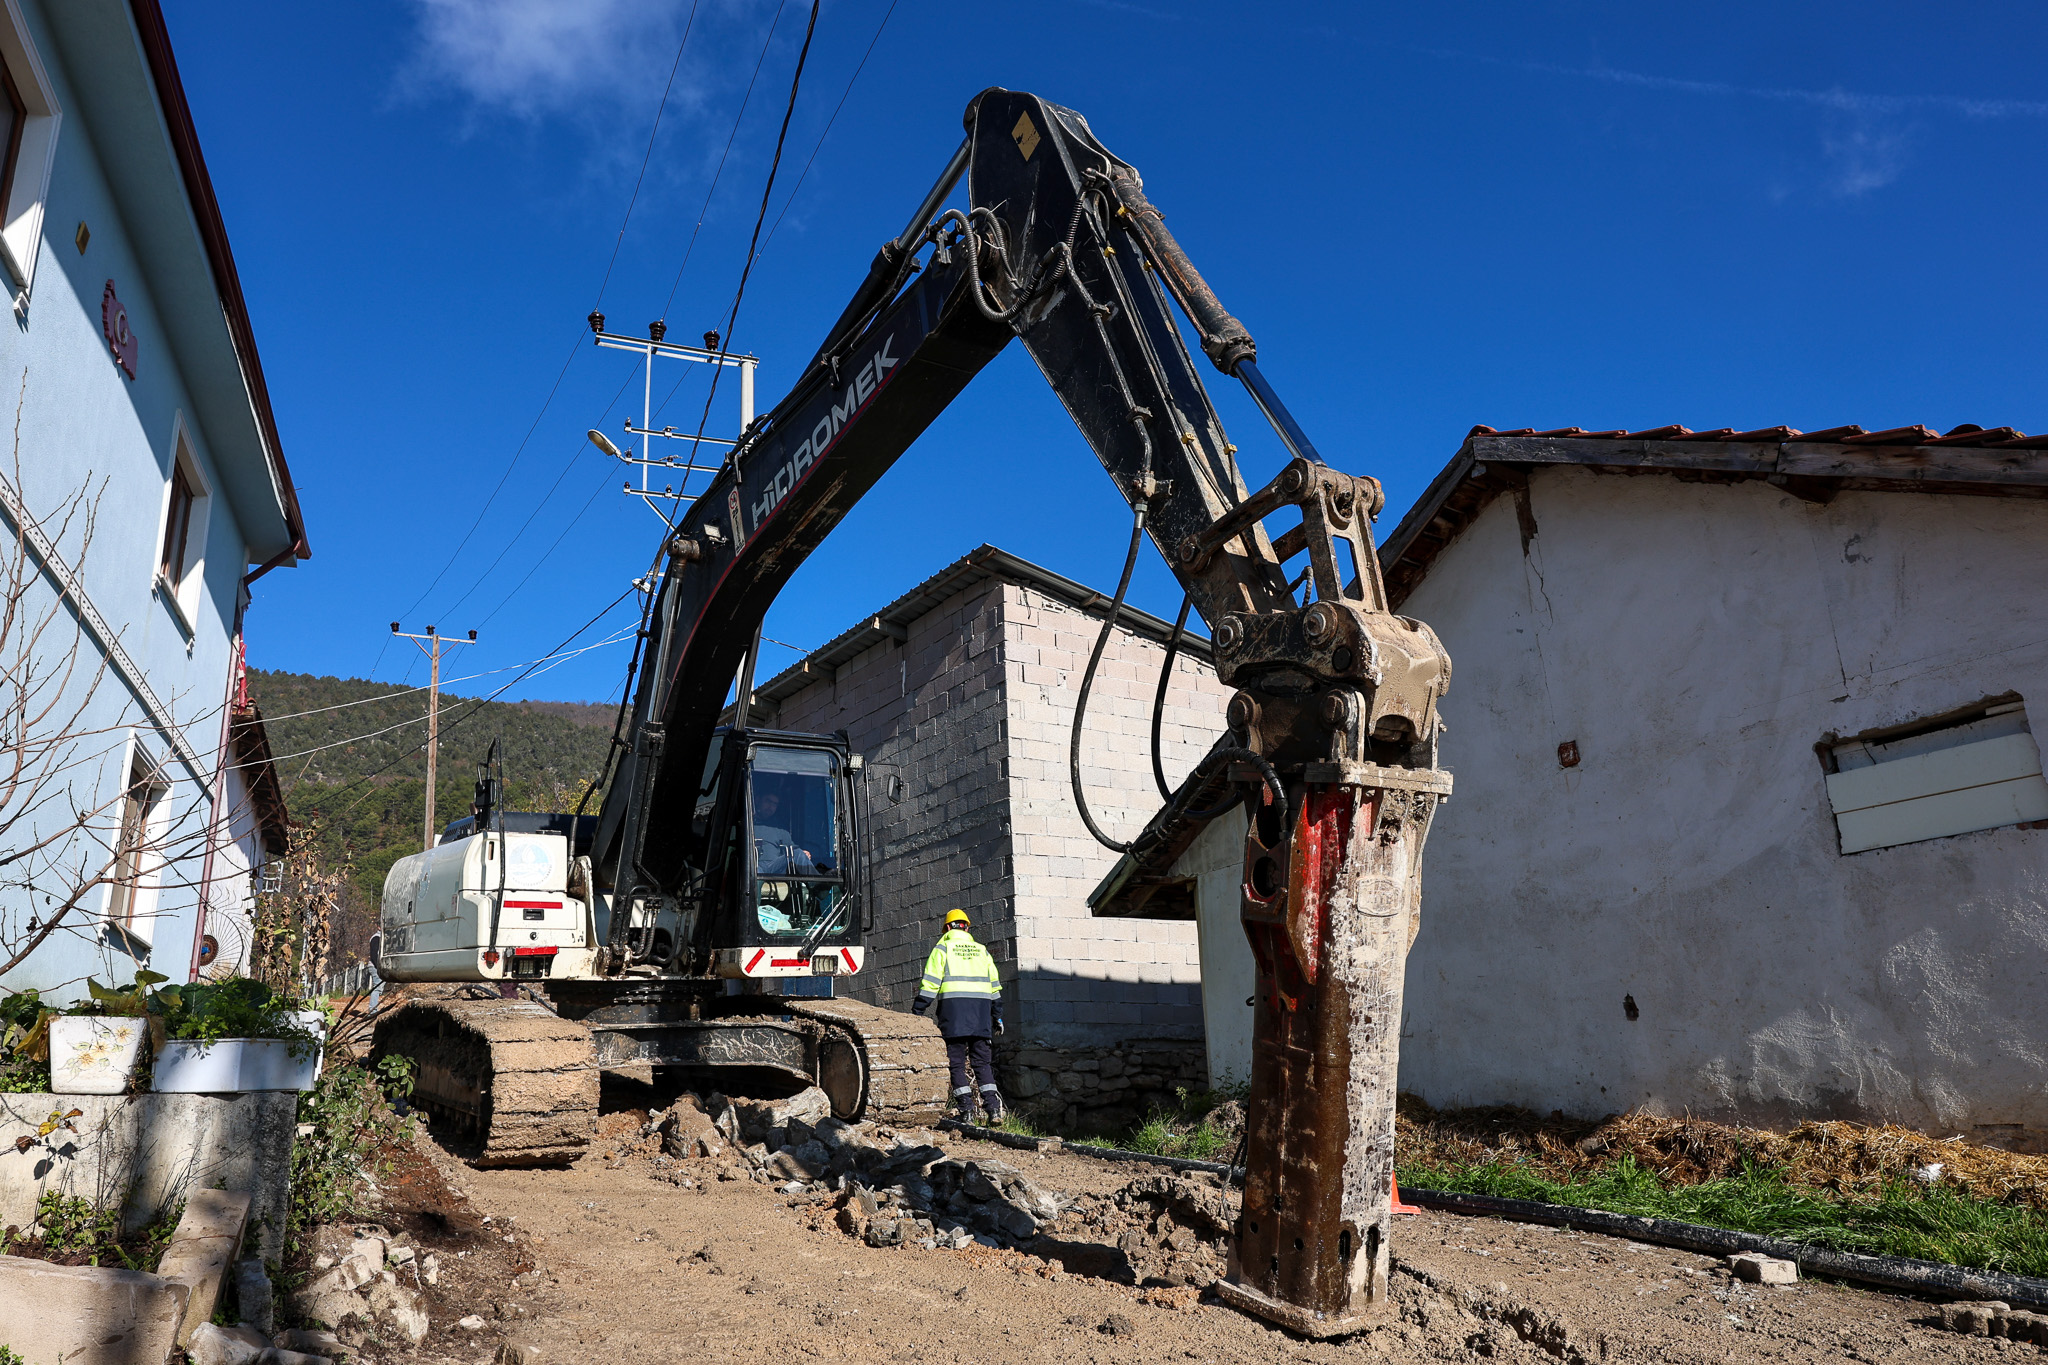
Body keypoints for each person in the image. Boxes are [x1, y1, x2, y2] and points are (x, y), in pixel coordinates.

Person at [913, 908, 1005, 1123]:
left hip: (953, 1016)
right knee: (982, 1064)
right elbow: (995, 989)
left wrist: (917, 1011)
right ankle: (993, 1110)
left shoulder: (943, 948)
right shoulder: (982, 951)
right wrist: (997, 1016)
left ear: (946, 927)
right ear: (967, 927)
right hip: (981, 1016)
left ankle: (967, 1111)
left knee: (955, 1063)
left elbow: (930, 985)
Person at [752, 786, 817, 875]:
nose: (771, 807)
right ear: (757, 800)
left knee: (798, 853)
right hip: (754, 865)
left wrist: (804, 853)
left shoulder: (779, 828)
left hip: (774, 866)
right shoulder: (747, 825)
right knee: (753, 871)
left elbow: (792, 848)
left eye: (775, 804)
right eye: (768, 801)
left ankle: (817, 885)